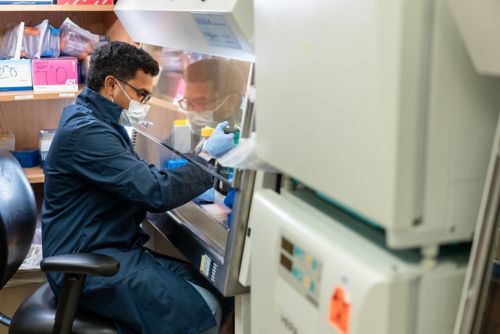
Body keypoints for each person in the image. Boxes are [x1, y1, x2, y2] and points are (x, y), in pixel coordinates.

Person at [42, 41, 233, 334]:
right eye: (140, 94)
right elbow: (154, 192)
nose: (143, 104)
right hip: (89, 264)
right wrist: (207, 159)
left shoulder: (97, 120)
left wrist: (192, 167)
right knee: (203, 311)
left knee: (223, 296)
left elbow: (138, 176)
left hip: (111, 250)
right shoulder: (86, 132)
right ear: (111, 86)